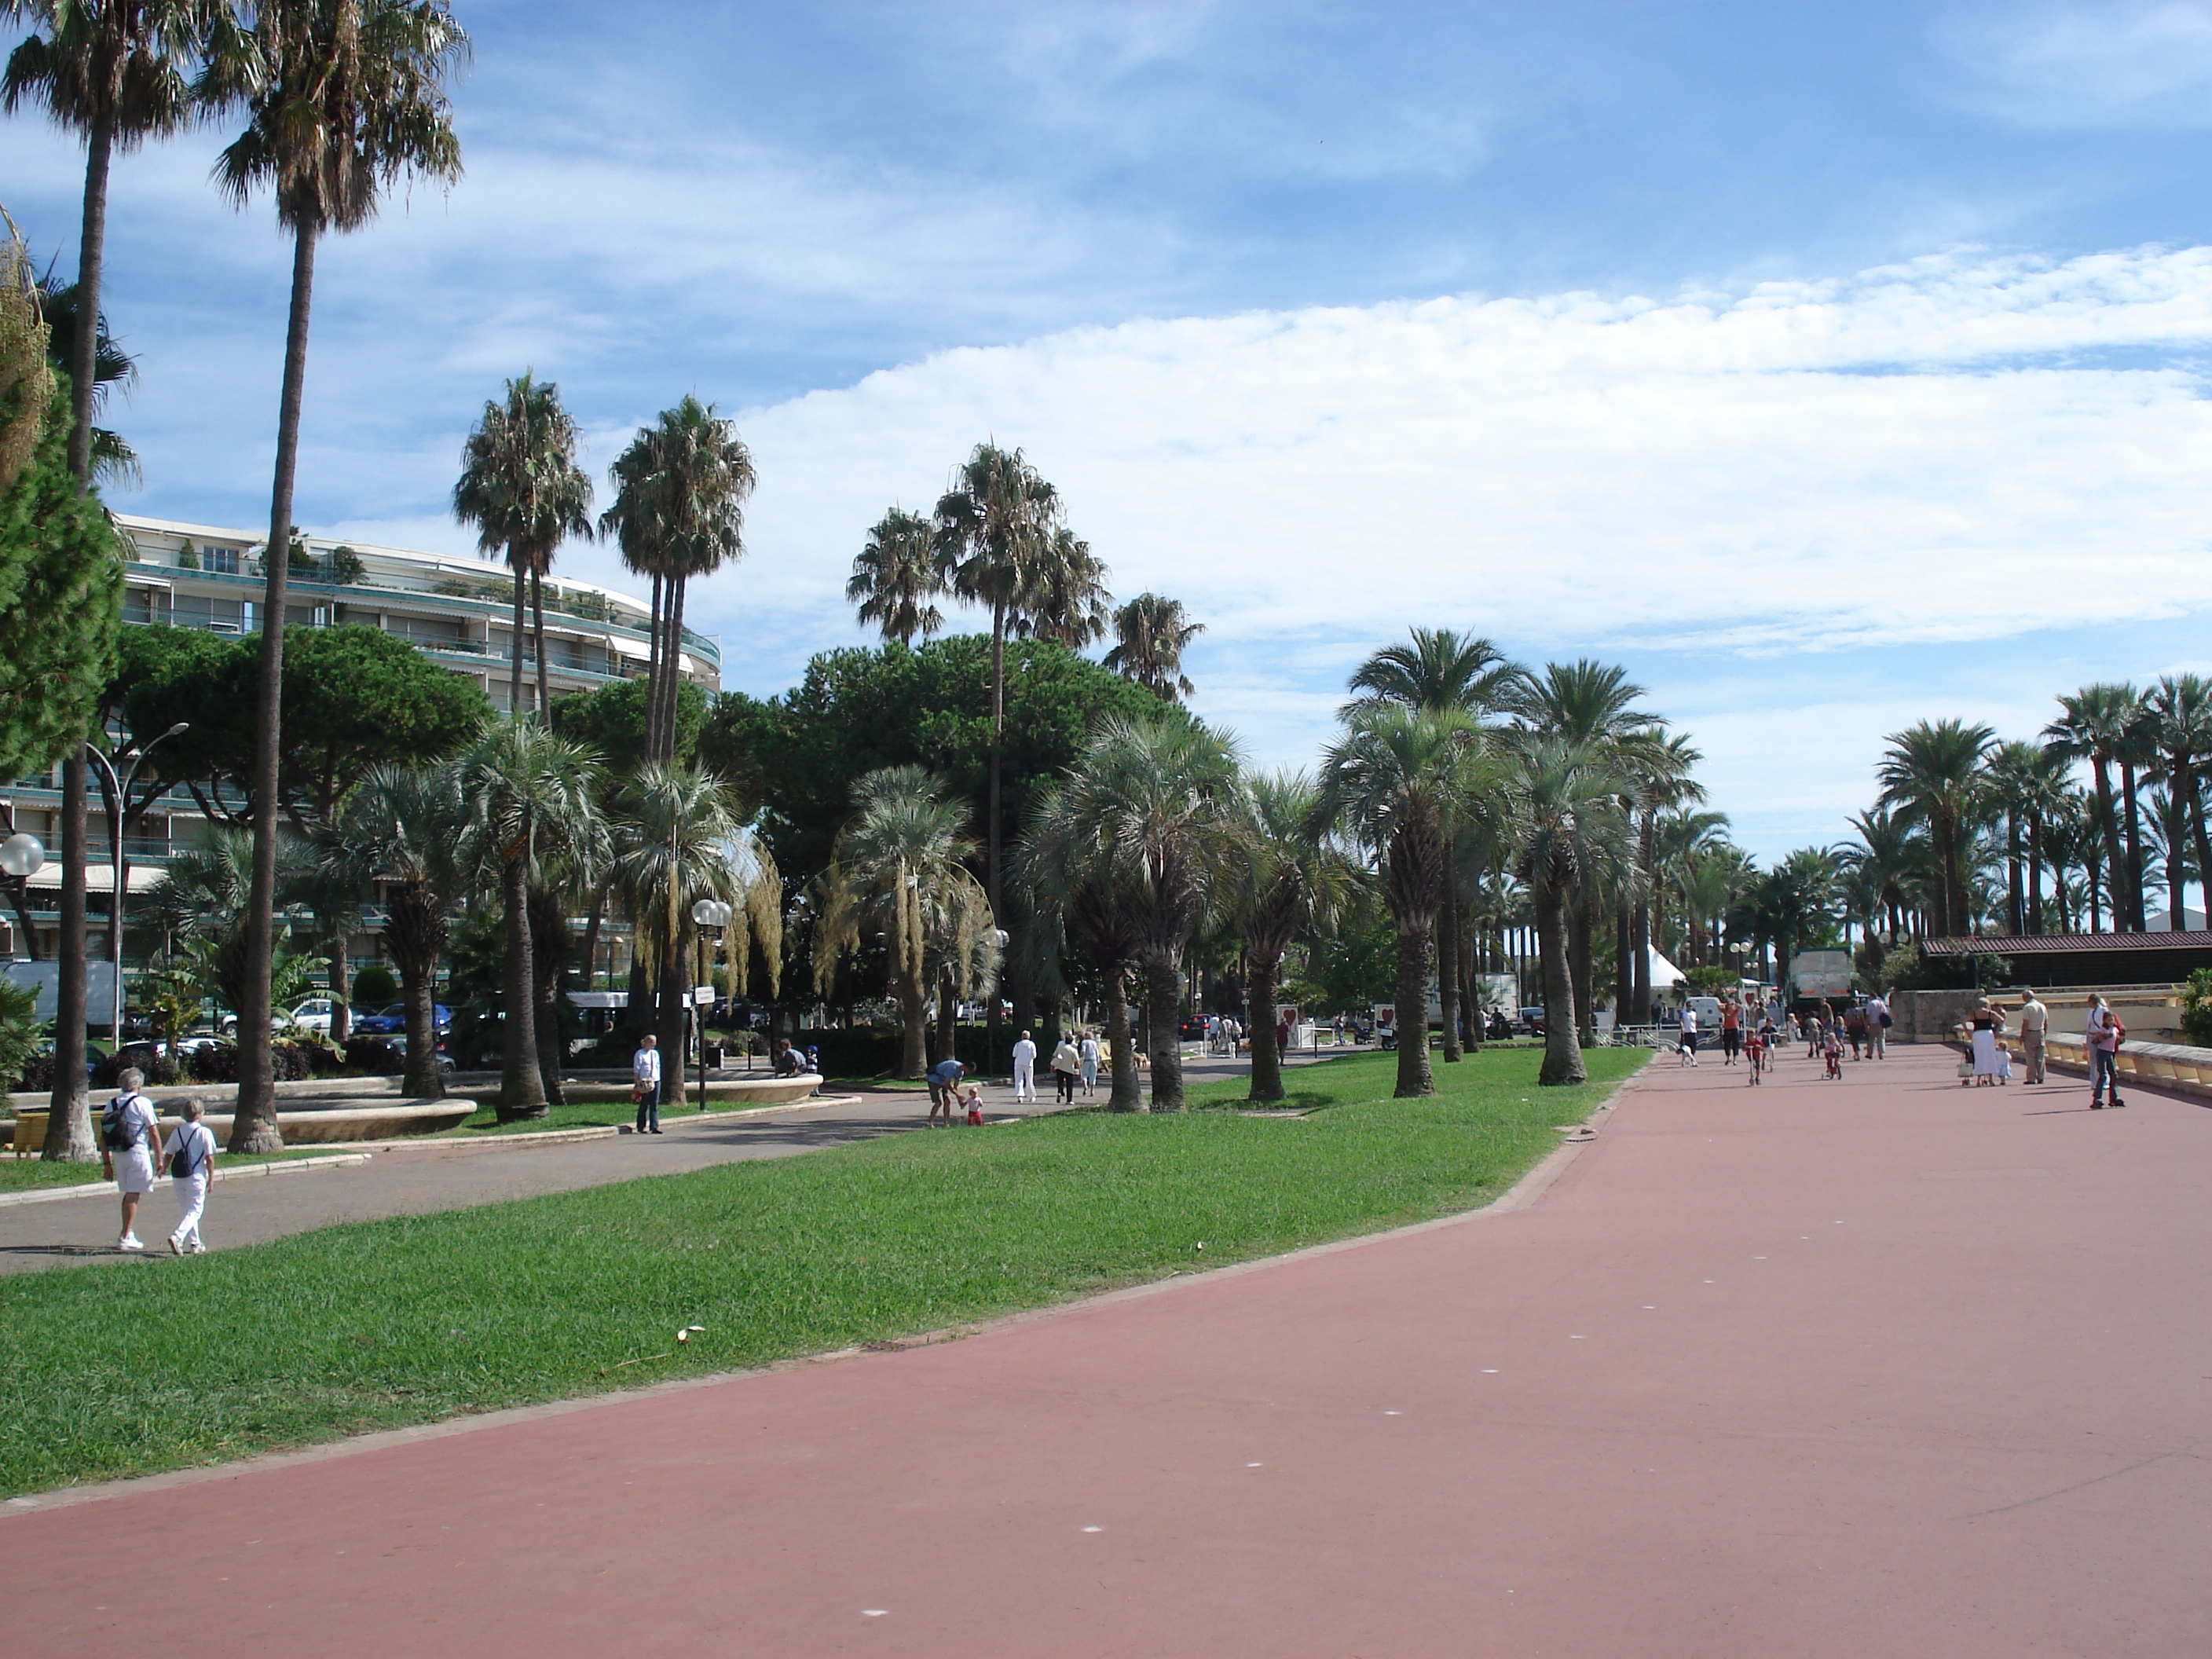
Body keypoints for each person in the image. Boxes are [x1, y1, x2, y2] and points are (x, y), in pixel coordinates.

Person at [100, 1068, 161, 1251]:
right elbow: (153, 1133)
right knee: (133, 1195)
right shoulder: (143, 1103)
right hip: (137, 1152)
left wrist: (106, 1163)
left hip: (119, 1153)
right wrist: (159, 1159)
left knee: (129, 1193)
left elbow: (103, 1137)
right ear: (139, 1085)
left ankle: (128, 1231)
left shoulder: (112, 1104)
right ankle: (125, 1235)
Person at [161, 1097, 217, 1255]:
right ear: (200, 1114)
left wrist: (163, 1169)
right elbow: (209, 1159)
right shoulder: (204, 1132)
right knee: (195, 1211)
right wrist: (211, 1179)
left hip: (178, 1175)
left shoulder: (177, 1131)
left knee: (188, 1211)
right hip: (196, 1175)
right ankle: (177, 1236)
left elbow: (169, 1154)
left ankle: (195, 1243)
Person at [2086, 994, 2126, 1108]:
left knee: (2114, 1075)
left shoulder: (2114, 1029)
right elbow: (2096, 1039)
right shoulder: (2103, 1030)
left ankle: (2114, 1097)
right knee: (2102, 1075)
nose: (2112, 1022)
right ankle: (2097, 1098)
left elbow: (2119, 1038)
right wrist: (2102, 1037)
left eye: (2112, 1020)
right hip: (2102, 1053)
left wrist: (2121, 1036)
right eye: (2110, 1020)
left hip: (2110, 1053)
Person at [1970, 998, 2005, 1086]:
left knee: (1979, 1056)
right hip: (1988, 1034)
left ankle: (1978, 1080)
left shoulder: (1975, 1013)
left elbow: (1963, 1020)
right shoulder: (1990, 1013)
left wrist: (1967, 1031)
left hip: (1978, 1034)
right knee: (1990, 1055)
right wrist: (1997, 1031)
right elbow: (2001, 1020)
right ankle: (1990, 1079)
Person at [632, 1033, 663, 1133]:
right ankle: (641, 1126)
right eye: (652, 1043)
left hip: (655, 1080)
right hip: (644, 1081)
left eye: (655, 1043)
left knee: (654, 1104)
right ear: (646, 1042)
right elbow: (637, 1070)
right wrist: (636, 1084)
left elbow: (658, 1067)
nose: (654, 1045)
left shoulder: (655, 1053)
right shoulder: (640, 1054)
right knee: (644, 1103)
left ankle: (654, 1126)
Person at [2016, 987, 2047, 1084]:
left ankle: (2031, 1078)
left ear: (2026, 997)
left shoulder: (2027, 1007)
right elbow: (2046, 1022)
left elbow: (2026, 1023)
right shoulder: (2042, 1006)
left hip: (2031, 1032)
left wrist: (2022, 1036)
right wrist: (2044, 1033)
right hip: (2040, 1032)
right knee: (2040, 1057)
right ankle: (2041, 1076)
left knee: (2031, 1057)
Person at [926, 1056, 965, 1127]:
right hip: (934, 1080)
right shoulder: (953, 1067)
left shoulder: (961, 1072)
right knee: (939, 1102)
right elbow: (947, 1084)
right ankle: (930, 1123)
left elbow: (955, 1087)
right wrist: (957, 1095)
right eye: (969, 1071)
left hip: (943, 1081)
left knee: (948, 1101)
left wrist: (959, 1100)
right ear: (965, 1066)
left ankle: (946, 1123)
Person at [1049, 1035, 1082, 1104]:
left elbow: (1054, 1055)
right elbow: (1077, 1061)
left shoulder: (1061, 1047)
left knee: (1060, 1082)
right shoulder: (1073, 1050)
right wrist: (1080, 1071)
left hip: (1059, 1067)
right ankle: (1069, 1100)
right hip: (1069, 1069)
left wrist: (1052, 1066)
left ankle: (1060, 1092)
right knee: (1069, 1085)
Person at [1011, 1030, 1038, 1103]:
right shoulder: (1032, 1044)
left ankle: (1020, 1096)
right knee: (1029, 1080)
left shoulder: (1018, 1044)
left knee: (1019, 1080)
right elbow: (1034, 1055)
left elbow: (1014, 1054)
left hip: (1018, 1063)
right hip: (1029, 1064)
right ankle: (1031, 1096)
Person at [1863, 991, 1890, 1059]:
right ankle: (1881, 1054)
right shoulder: (1881, 1003)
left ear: (1872, 997)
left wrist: (1866, 1025)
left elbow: (1868, 1015)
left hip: (1873, 1023)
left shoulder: (1870, 1004)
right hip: (1881, 1023)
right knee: (1881, 1039)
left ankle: (1870, 1054)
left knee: (1871, 1039)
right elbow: (1885, 1012)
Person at [1077, 1030, 1101, 1097]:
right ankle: (1092, 1090)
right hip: (1094, 1060)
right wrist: (1098, 1061)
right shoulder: (1094, 1043)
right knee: (1093, 1076)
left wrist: (1080, 1057)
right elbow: (1097, 1052)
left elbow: (1083, 1051)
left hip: (1086, 1060)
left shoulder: (1084, 1042)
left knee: (1085, 1075)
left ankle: (1085, 1086)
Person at [1720, 998, 1741, 1066]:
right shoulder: (1725, 1011)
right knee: (1727, 1044)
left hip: (1734, 1028)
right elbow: (1718, 1006)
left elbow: (1741, 1007)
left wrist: (1735, 1004)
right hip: (1727, 1029)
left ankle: (1735, 1059)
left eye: (1731, 1004)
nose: (1730, 1006)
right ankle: (1728, 1058)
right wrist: (1725, 1004)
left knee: (1736, 1044)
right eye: (1729, 1004)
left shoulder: (1735, 1011)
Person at [1677, 1002, 1699, 1066]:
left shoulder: (1694, 1013)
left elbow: (1695, 1022)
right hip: (1686, 1032)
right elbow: (1681, 1021)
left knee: (1693, 1047)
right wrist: (1682, 1028)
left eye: (1691, 1006)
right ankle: (1684, 1061)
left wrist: (1696, 1028)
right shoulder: (1683, 1013)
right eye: (1689, 1006)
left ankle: (1692, 1060)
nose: (1690, 1007)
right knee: (1686, 1048)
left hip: (1693, 1031)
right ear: (1686, 1006)